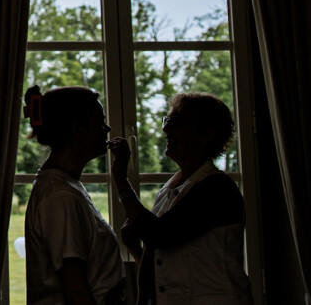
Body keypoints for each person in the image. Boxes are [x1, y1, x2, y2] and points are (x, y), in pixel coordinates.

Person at [108, 93, 253, 305]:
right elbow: (165, 267)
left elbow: (160, 235)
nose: (166, 129)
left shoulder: (217, 189)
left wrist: (121, 178)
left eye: (177, 122)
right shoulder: (170, 189)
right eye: (167, 121)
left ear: (206, 135)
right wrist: (135, 249)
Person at [22, 85, 125, 305]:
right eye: (100, 122)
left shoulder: (67, 186)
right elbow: (75, 289)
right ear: (76, 129)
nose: (107, 128)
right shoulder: (59, 196)